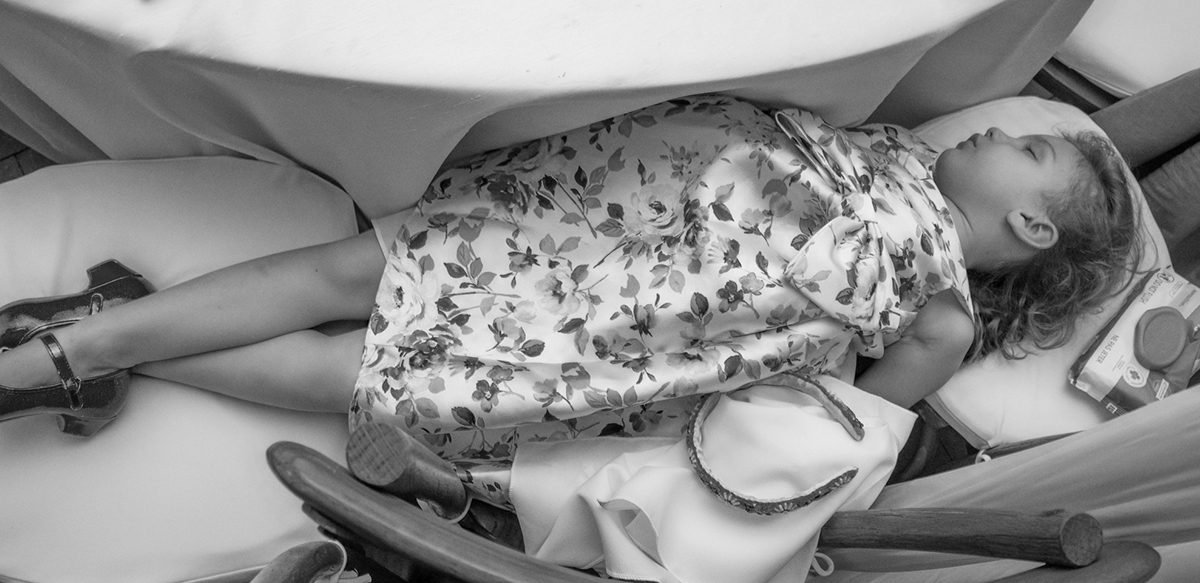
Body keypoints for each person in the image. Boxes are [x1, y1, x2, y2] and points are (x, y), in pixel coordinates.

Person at [0, 94, 1139, 518]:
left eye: (1031, 146)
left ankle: (68, 346)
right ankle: (84, 339)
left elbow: (822, 428)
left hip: (636, 324)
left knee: (369, 370)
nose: (995, 127)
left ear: (1032, 227)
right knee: (353, 273)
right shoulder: (892, 146)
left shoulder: (939, 312)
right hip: (586, 216)